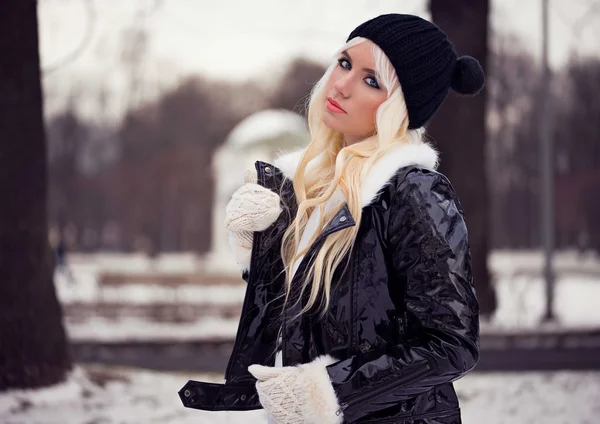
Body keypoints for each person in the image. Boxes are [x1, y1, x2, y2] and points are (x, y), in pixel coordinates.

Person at [180, 13, 483, 424]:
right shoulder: (311, 189)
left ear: (399, 108)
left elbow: (451, 343)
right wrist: (260, 249)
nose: (341, 84)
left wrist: (327, 392)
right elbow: (312, 316)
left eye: (371, 80)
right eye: (344, 63)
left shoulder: (413, 192)